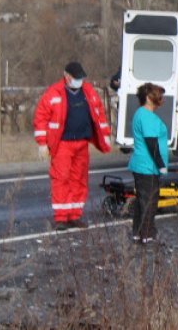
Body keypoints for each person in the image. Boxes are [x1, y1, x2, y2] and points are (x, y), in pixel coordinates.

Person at [33, 61, 112, 230]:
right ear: (66, 76)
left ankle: (75, 215)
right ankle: (61, 218)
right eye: (77, 78)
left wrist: (105, 135)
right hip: (62, 143)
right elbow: (41, 117)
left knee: (79, 179)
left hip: (82, 142)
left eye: (81, 78)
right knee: (61, 179)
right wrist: (42, 143)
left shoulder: (88, 92)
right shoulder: (54, 93)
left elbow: (99, 113)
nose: (79, 81)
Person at [128, 83, 169, 245]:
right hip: (148, 165)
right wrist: (160, 164)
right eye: (158, 95)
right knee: (149, 201)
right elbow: (151, 142)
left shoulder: (140, 114)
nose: (161, 99)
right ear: (148, 97)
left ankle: (138, 232)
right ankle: (147, 234)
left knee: (141, 200)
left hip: (142, 164)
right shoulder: (147, 116)